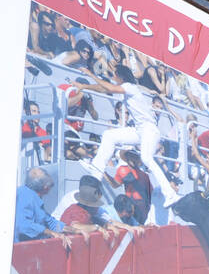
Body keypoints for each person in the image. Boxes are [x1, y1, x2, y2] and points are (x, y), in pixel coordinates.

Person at [76, 66, 181, 206]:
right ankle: (97, 171)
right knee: (109, 135)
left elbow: (110, 88)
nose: (113, 78)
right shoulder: (126, 88)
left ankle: (170, 194)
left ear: (121, 77)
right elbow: (104, 88)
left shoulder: (130, 87)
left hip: (149, 130)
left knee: (146, 158)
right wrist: (84, 86)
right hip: (139, 131)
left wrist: (90, 73)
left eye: (115, 75)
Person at [14, 168, 70, 246]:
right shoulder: (26, 197)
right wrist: (51, 232)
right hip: (20, 250)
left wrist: (73, 230)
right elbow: (23, 225)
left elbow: (49, 221)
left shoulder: (30, 194)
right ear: (46, 188)